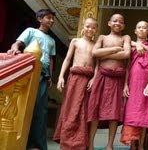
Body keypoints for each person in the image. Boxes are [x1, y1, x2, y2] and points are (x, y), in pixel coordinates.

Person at [7, 9, 56, 150]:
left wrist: (51, 76)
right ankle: (25, 142)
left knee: (41, 110)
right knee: (26, 106)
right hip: (30, 71)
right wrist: (14, 49)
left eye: (53, 19)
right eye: (48, 18)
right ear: (40, 19)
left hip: (44, 75)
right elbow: (17, 44)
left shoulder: (52, 40)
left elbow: (51, 59)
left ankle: (38, 144)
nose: (51, 21)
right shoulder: (31, 31)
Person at [87, 14, 131, 150]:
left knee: (114, 113)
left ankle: (110, 145)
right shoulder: (102, 37)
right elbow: (94, 53)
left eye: (121, 21)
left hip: (118, 78)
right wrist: (115, 49)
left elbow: (126, 55)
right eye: (115, 21)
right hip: (101, 76)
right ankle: (90, 144)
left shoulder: (126, 38)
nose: (118, 23)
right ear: (109, 23)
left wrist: (103, 53)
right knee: (95, 109)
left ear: (123, 25)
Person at [53, 18, 98, 150]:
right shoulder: (75, 41)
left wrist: (94, 78)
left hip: (88, 80)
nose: (90, 29)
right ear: (83, 27)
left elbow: (96, 65)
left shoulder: (96, 45)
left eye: (93, 27)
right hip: (74, 78)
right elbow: (67, 59)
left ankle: (80, 142)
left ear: (96, 29)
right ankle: (66, 141)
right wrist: (61, 76)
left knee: (83, 109)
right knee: (70, 108)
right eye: (88, 26)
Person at [121, 21, 148, 149]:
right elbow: (127, 67)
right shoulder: (131, 46)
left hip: (147, 84)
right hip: (134, 84)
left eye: (145, 28)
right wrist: (125, 85)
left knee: (145, 114)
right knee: (133, 114)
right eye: (139, 27)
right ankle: (133, 146)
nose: (142, 29)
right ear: (135, 31)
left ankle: (142, 146)